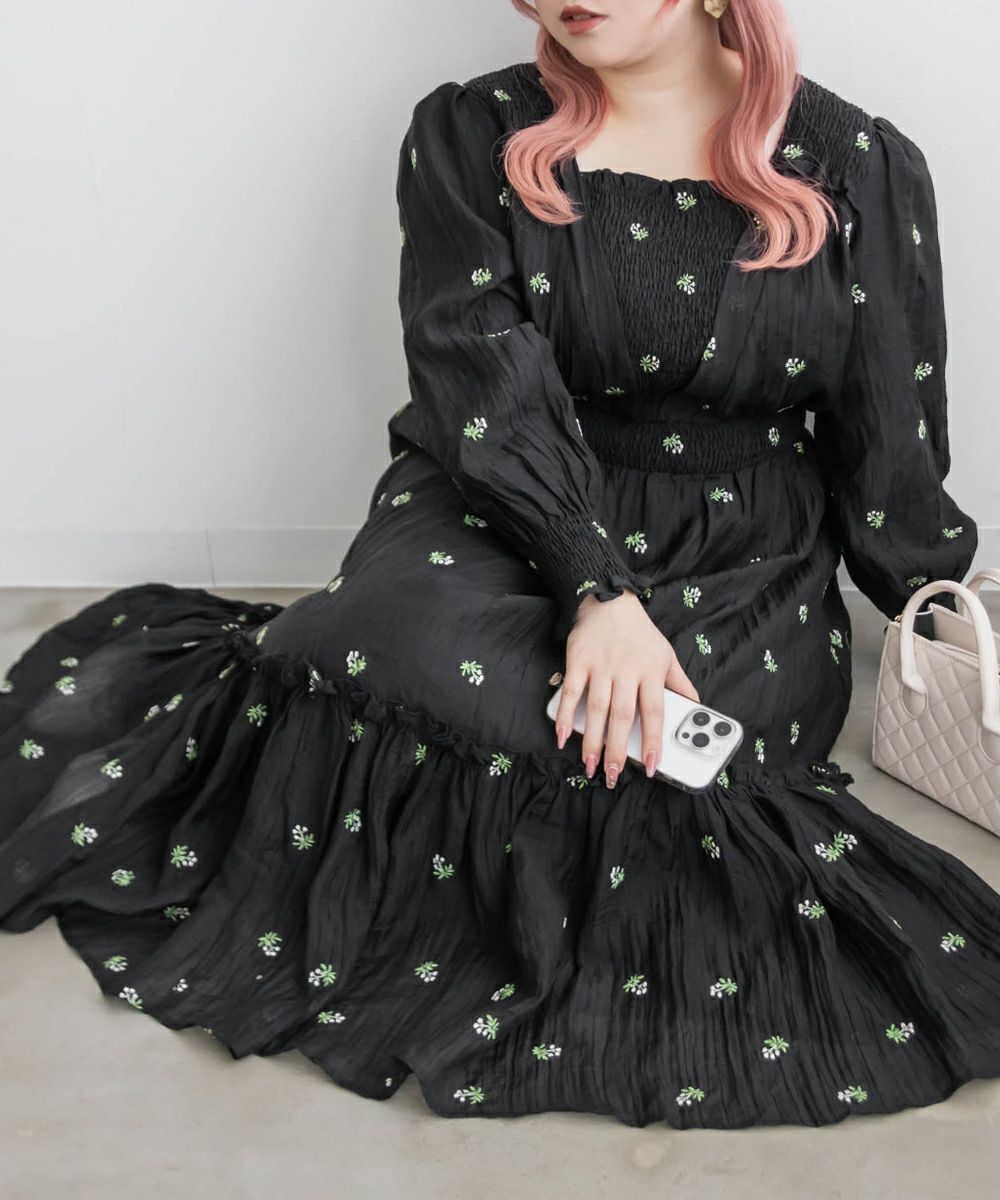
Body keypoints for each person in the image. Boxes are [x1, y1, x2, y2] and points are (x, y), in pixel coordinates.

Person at [2, 0, 998, 1130]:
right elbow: (476, 380)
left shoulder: (858, 160)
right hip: (502, 494)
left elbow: (892, 421)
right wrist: (596, 589)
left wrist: (933, 599)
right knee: (367, 645)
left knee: (659, 755)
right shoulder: (472, 131)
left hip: (741, 537)